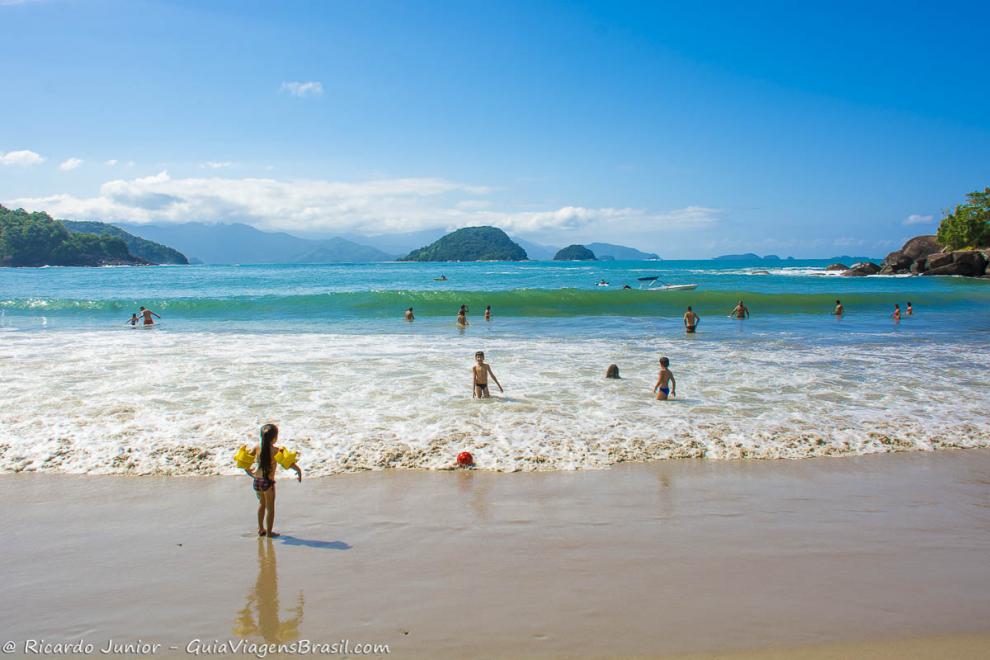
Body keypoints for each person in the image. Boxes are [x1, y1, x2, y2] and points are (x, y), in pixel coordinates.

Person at [243, 423, 302, 538]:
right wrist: (298, 470)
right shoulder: (275, 450)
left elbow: (245, 461)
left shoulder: (256, 447)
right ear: (274, 438)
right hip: (268, 483)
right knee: (270, 508)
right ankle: (269, 532)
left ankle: (261, 529)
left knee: (261, 504)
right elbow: (287, 463)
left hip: (257, 481)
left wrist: (249, 472)